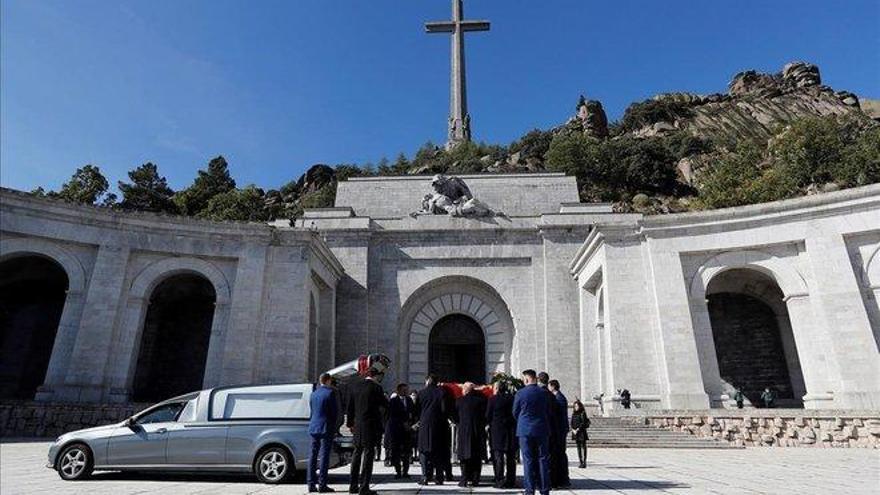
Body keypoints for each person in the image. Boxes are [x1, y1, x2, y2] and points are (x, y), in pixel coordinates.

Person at [346, 368, 388, 495]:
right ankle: (364, 487)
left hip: (357, 426)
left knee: (356, 454)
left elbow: (350, 408)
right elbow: (385, 405)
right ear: (376, 376)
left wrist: (350, 424)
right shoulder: (376, 388)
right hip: (370, 426)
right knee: (368, 456)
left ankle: (352, 486)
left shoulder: (354, 386)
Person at [513, 369, 552, 495]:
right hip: (542, 428)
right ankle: (544, 489)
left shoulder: (520, 393)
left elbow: (515, 412)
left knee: (528, 460)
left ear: (526, 379)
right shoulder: (544, 393)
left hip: (525, 430)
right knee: (543, 459)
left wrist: (523, 420)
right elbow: (549, 410)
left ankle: (529, 490)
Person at [414, 374, 451, 485]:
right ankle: (439, 477)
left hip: (425, 425)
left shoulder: (421, 393)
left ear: (427, 381)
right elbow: (445, 410)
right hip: (439, 425)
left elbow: (416, 411)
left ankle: (424, 476)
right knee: (439, 451)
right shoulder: (442, 392)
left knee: (424, 451)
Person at [308, 373, 339, 493]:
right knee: (324, 456)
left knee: (312, 456)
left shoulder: (313, 394)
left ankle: (311, 484)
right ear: (328, 380)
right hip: (326, 427)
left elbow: (312, 410)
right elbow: (334, 412)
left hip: (314, 427)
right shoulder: (330, 393)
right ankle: (322, 484)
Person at [453, 382, 487, 487]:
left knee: (464, 457)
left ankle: (464, 479)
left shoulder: (459, 401)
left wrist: (460, 423)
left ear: (466, 390)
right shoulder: (481, 401)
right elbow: (485, 416)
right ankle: (476, 480)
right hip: (478, 431)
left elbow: (455, 417)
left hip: (464, 432)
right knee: (477, 457)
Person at [486, 380, 517, 489]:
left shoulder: (492, 400)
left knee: (498, 457)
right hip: (510, 431)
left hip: (497, 432)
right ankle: (511, 480)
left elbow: (488, 416)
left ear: (497, 389)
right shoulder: (512, 398)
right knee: (510, 458)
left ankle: (499, 480)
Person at [385, 383, 415, 479]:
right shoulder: (393, 401)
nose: (406, 391)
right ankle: (398, 471)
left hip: (407, 431)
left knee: (407, 452)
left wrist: (411, 424)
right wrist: (402, 423)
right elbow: (392, 415)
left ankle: (405, 471)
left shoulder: (409, 400)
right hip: (396, 430)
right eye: (403, 390)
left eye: (406, 390)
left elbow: (412, 413)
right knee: (396, 452)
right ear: (398, 391)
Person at [537, 372, 560, 488]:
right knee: (548, 457)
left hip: (541, 430)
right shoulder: (551, 396)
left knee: (542, 457)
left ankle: (544, 481)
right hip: (550, 429)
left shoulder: (539, 394)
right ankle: (549, 482)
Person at [548, 379, 571, 488]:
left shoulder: (559, 398)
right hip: (559, 430)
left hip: (559, 431)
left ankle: (563, 479)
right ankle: (562, 478)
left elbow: (558, 417)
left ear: (552, 387)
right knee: (559, 454)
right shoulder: (559, 397)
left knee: (560, 454)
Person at [570, 400, 590, 468]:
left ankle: (584, 462)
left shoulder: (582, 413)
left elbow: (583, 422)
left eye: (577, 406)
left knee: (583, 447)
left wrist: (578, 429)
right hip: (575, 432)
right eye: (574, 406)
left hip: (581, 432)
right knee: (578, 447)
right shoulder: (573, 414)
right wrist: (573, 429)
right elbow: (571, 423)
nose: (575, 407)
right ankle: (580, 461)